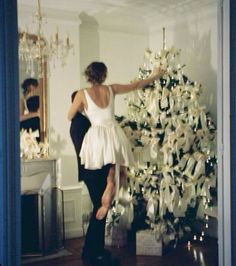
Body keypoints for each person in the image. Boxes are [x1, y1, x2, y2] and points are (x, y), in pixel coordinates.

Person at [68, 62, 166, 222]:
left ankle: (106, 195)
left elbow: (69, 115)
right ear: (104, 75)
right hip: (113, 131)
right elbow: (137, 85)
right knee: (115, 169)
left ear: (88, 76)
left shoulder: (82, 93)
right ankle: (110, 187)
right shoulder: (111, 89)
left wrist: (83, 108)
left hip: (97, 136)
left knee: (102, 167)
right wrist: (156, 75)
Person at [69, 91, 118, 266]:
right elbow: (92, 150)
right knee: (100, 209)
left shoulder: (81, 122)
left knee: (99, 208)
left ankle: (92, 250)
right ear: (79, 103)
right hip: (93, 171)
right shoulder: (81, 123)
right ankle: (94, 253)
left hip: (92, 171)